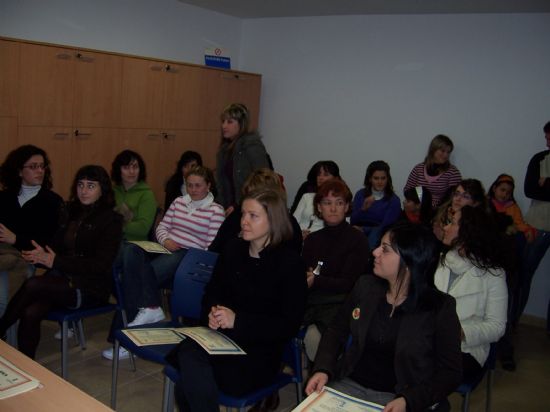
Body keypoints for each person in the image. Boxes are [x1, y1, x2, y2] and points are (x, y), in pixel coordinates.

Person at [168, 189, 307, 412]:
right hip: (221, 339)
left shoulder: (290, 264)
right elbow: (212, 293)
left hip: (259, 353)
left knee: (189, 375)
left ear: (273, 221)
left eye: (253, 216)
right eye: (243, 214)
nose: (244, 221)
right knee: (189, 356)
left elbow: (287, 325)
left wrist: (238, 321)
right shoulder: (233, 249)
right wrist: (212, 313)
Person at [306, 222, 462, 412]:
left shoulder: (440, 307)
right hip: (350, 383)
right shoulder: (366, 286)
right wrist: (323, 368)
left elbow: (450, 372)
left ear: (409, 262)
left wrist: (408, 400)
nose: (375, 252)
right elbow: (336, 330)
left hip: (402, 395)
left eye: (385, 250)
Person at [0, 165, 122, 358]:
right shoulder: (71, 212)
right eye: (80, 185)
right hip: (60, 280)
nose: (83, 190)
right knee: (31, 312)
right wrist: (44, 253)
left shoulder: (111, 220)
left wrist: (55, 261)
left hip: (90, 287)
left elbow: (99, 266)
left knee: (33, 284)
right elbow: (55, 247)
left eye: (91, 186)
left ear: (102, 189)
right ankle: (27, 368)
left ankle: (1, 330)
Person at [103, 166, 224, 360]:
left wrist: (188, 250)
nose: (193, 190)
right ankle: (151, 307)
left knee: (135, 280)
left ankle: (124, 341)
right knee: (131, 250)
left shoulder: (215, 211)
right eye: (189, 185)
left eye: (198, 186)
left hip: (189, 256)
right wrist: (165, 240)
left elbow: (211, 245)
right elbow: (162, 227)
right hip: (165, 248)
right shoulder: (178, 202)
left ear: (208, 186)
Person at [435, 206, 508, 381]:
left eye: (452, 223)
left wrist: (462, 333)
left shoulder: (493, 275)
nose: (445, 228)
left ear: (468, 232)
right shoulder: (439, 261)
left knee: (421, 365)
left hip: (466, 350)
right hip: (428, 340)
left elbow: (497, 327)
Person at [302, 179, 370, 361]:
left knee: (314, 337)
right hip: (312, 302)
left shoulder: (357, 240)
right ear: (319, 207)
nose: (333, 209)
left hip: (342, 305)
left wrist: (316, 280)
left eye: (339, 203)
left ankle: (322, 379)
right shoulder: (311, 240)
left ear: (347, 206)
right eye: (327, 203)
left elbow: (350, 284)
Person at [0, 145, 64, 317]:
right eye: (33, 166)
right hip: (4, 255)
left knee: (2, 295)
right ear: (20, 171)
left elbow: (47, 243)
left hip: (32, 259)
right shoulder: (4, 198)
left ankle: (6, 339)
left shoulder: (52, 202)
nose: (40, 171)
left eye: (42, 166)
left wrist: (15, 239)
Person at [208, 168, 302, 255]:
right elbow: (215, 249)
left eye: (256, 196)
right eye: (249, 195)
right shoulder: (236, 214)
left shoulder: (288, 224)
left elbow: (289, 260)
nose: (244, 221)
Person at [518, 121, 550, 333]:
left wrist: (546, 183)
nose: (547, 141)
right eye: (546, 137)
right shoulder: (540, 158)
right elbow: (530, 190)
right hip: (539, 224)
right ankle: (512, 323)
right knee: (523, 273)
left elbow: (541, 190)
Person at [215, 103, 269, 211]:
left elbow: (262, 181)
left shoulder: (252, 145)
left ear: (241, 124)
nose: (224, 126)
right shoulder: (224, 150)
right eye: (223, 121)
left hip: (248, 206)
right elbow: (223, 185)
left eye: (229, 122)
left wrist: (237, 206)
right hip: (228, 207)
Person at [351, 161, 401, 248]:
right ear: (370, 179)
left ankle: (368, 257)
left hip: (380, 233)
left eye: (383, 178)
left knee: (375, 233)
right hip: (358, 229)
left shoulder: (394, 200)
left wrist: (364, 229)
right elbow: (353, 220)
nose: (380, 182)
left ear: (388, 179)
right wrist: (363, 209)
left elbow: (385, 227)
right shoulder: (360, 194)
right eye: (376, 178)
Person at [404, 134, 462, 209]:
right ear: (433, 150)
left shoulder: (452, 172)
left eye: (448, 152)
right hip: (417, 210)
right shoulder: (419, 168)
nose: (446, 155)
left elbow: (453, 197)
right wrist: (419, 201)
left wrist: (433, 207)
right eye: (443, 151)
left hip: (438, 212)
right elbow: (407, 190)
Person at [111, 150, 157, 242]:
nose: (131, 171)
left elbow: (143, 229)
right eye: (126, 167)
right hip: (112, 240)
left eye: (135, 167)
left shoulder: (146, 194)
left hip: (136, 245)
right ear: (118, 170)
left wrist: (116, 224)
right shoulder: (112, 192)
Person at [293, 161, 341, 238]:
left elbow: (340, 227)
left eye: (326, 174)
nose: (320, 178)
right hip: (299, 237)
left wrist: (313, 236)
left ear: (336, 178)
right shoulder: (307, 196)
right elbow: (293, 221)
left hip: (322, 239)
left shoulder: (340, 200)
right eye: (318, 174)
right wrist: (299, 233)